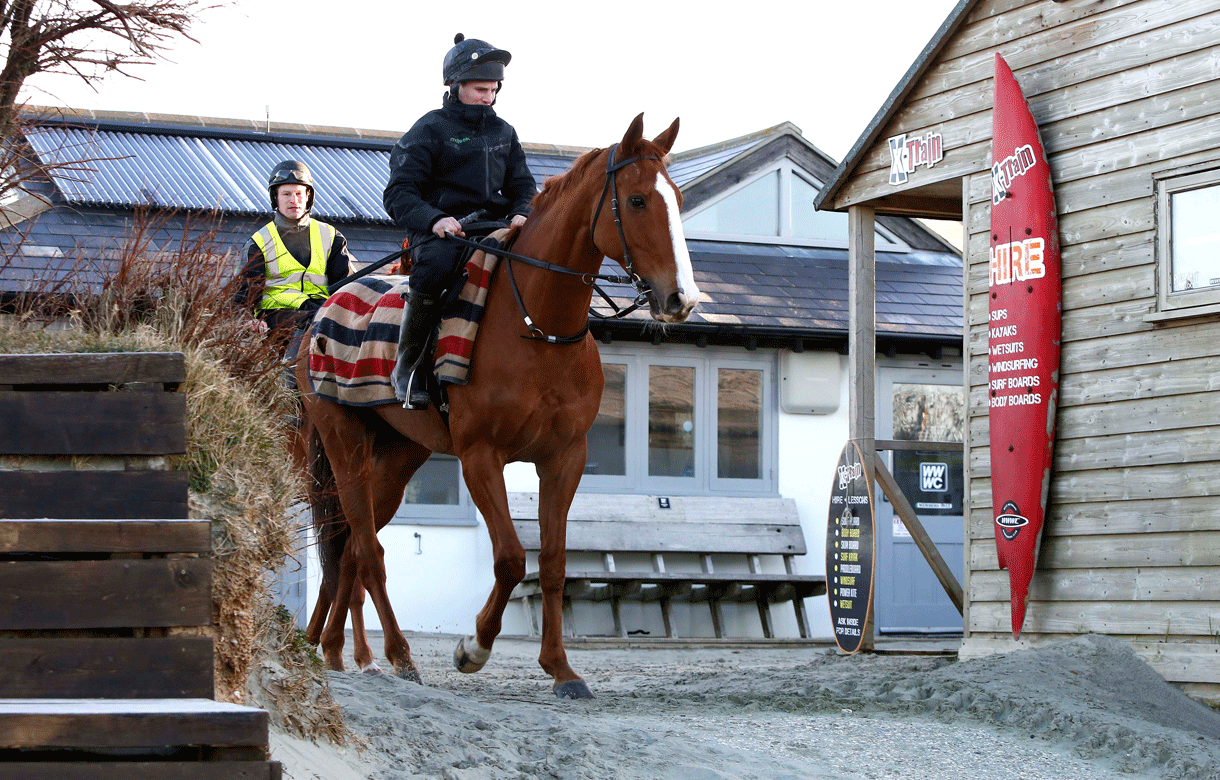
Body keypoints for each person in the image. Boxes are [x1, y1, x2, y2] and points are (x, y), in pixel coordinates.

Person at [383, 33, 536, 408]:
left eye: (494, 89)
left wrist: (523, 212)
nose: (489, 97)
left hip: (496, 229)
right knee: (434, 270)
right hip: (444, 234)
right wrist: (435, 219)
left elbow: (525, 186)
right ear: (455, 85)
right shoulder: (428, 130)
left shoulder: (505, 133)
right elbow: (398, 194)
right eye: (481, 89)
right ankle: (409, 368)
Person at [236, 160, 358, 379]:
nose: (294, 200)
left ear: (309, 197)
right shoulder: (259, 242)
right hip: (276, 318)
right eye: (287, 194)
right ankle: (287, 383)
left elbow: (349, 288)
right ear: (276, 198)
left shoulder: (332, 237)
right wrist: (249, 320)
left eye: (300, 194)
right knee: (309, 324)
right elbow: (242, 296)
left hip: (322, 312)